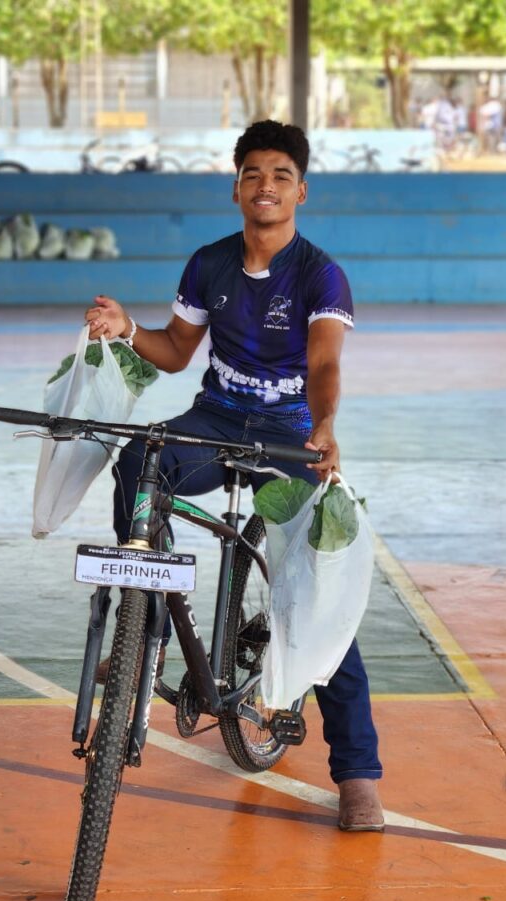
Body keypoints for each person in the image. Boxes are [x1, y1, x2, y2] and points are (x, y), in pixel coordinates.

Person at [85, 120, 384, 833]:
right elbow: (176, 350)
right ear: (236, 186)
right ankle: (143, 616)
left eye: (281, 175)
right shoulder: (209, 264)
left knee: (317, 593)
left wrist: (323, 426)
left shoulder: (319, 273)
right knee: (140, 462)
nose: (266, 186)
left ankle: (359, 774)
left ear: (300, 190)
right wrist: (128, 328)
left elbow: (324, 363)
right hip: (214, 420)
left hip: (288, 435)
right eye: (253, 174)